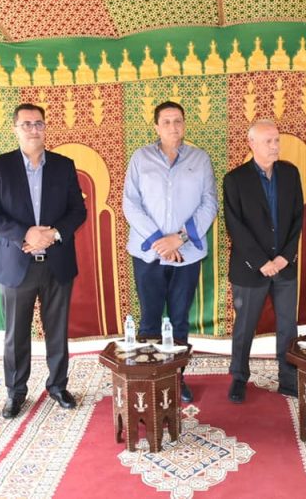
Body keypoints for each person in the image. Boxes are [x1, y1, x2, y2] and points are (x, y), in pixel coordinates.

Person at [0, 103, 87, 419]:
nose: (33, 129)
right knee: (16, 335)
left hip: (57, 262)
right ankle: (16, 392)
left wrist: (53, 234)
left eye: (38, 123)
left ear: (45, 127)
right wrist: (25, 234)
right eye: (26, 124)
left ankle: (58, 386)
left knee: (57, 331)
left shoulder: (63, 166)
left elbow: (77, 211)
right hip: (16, 265)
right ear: (15, 129)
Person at [123, 101, 218, 403]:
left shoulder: (200, 159)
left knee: (179, 320)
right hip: (148, 254)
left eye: (178, 121)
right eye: (166, 121)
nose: (173, 127)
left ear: (184, 124)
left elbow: (209, 203)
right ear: (156, 126)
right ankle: (149, 379)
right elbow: (130, 204)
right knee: (150, 319)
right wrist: (159, 241)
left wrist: (178, 239)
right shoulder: (140, 158)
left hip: (185, 253)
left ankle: (177, 377)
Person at [223, 120, 303, 403]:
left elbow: (298, 218)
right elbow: (235, 226)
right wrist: (261, 262)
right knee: (245, 326)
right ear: (251, 144)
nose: (274, 146)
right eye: (268, 141)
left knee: (288, 326)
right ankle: (239, 378)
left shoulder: (290, 174)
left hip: (284, 266)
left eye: (276, 140)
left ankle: (288, 379)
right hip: (250, 268)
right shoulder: (235, 179)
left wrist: (284, 257)